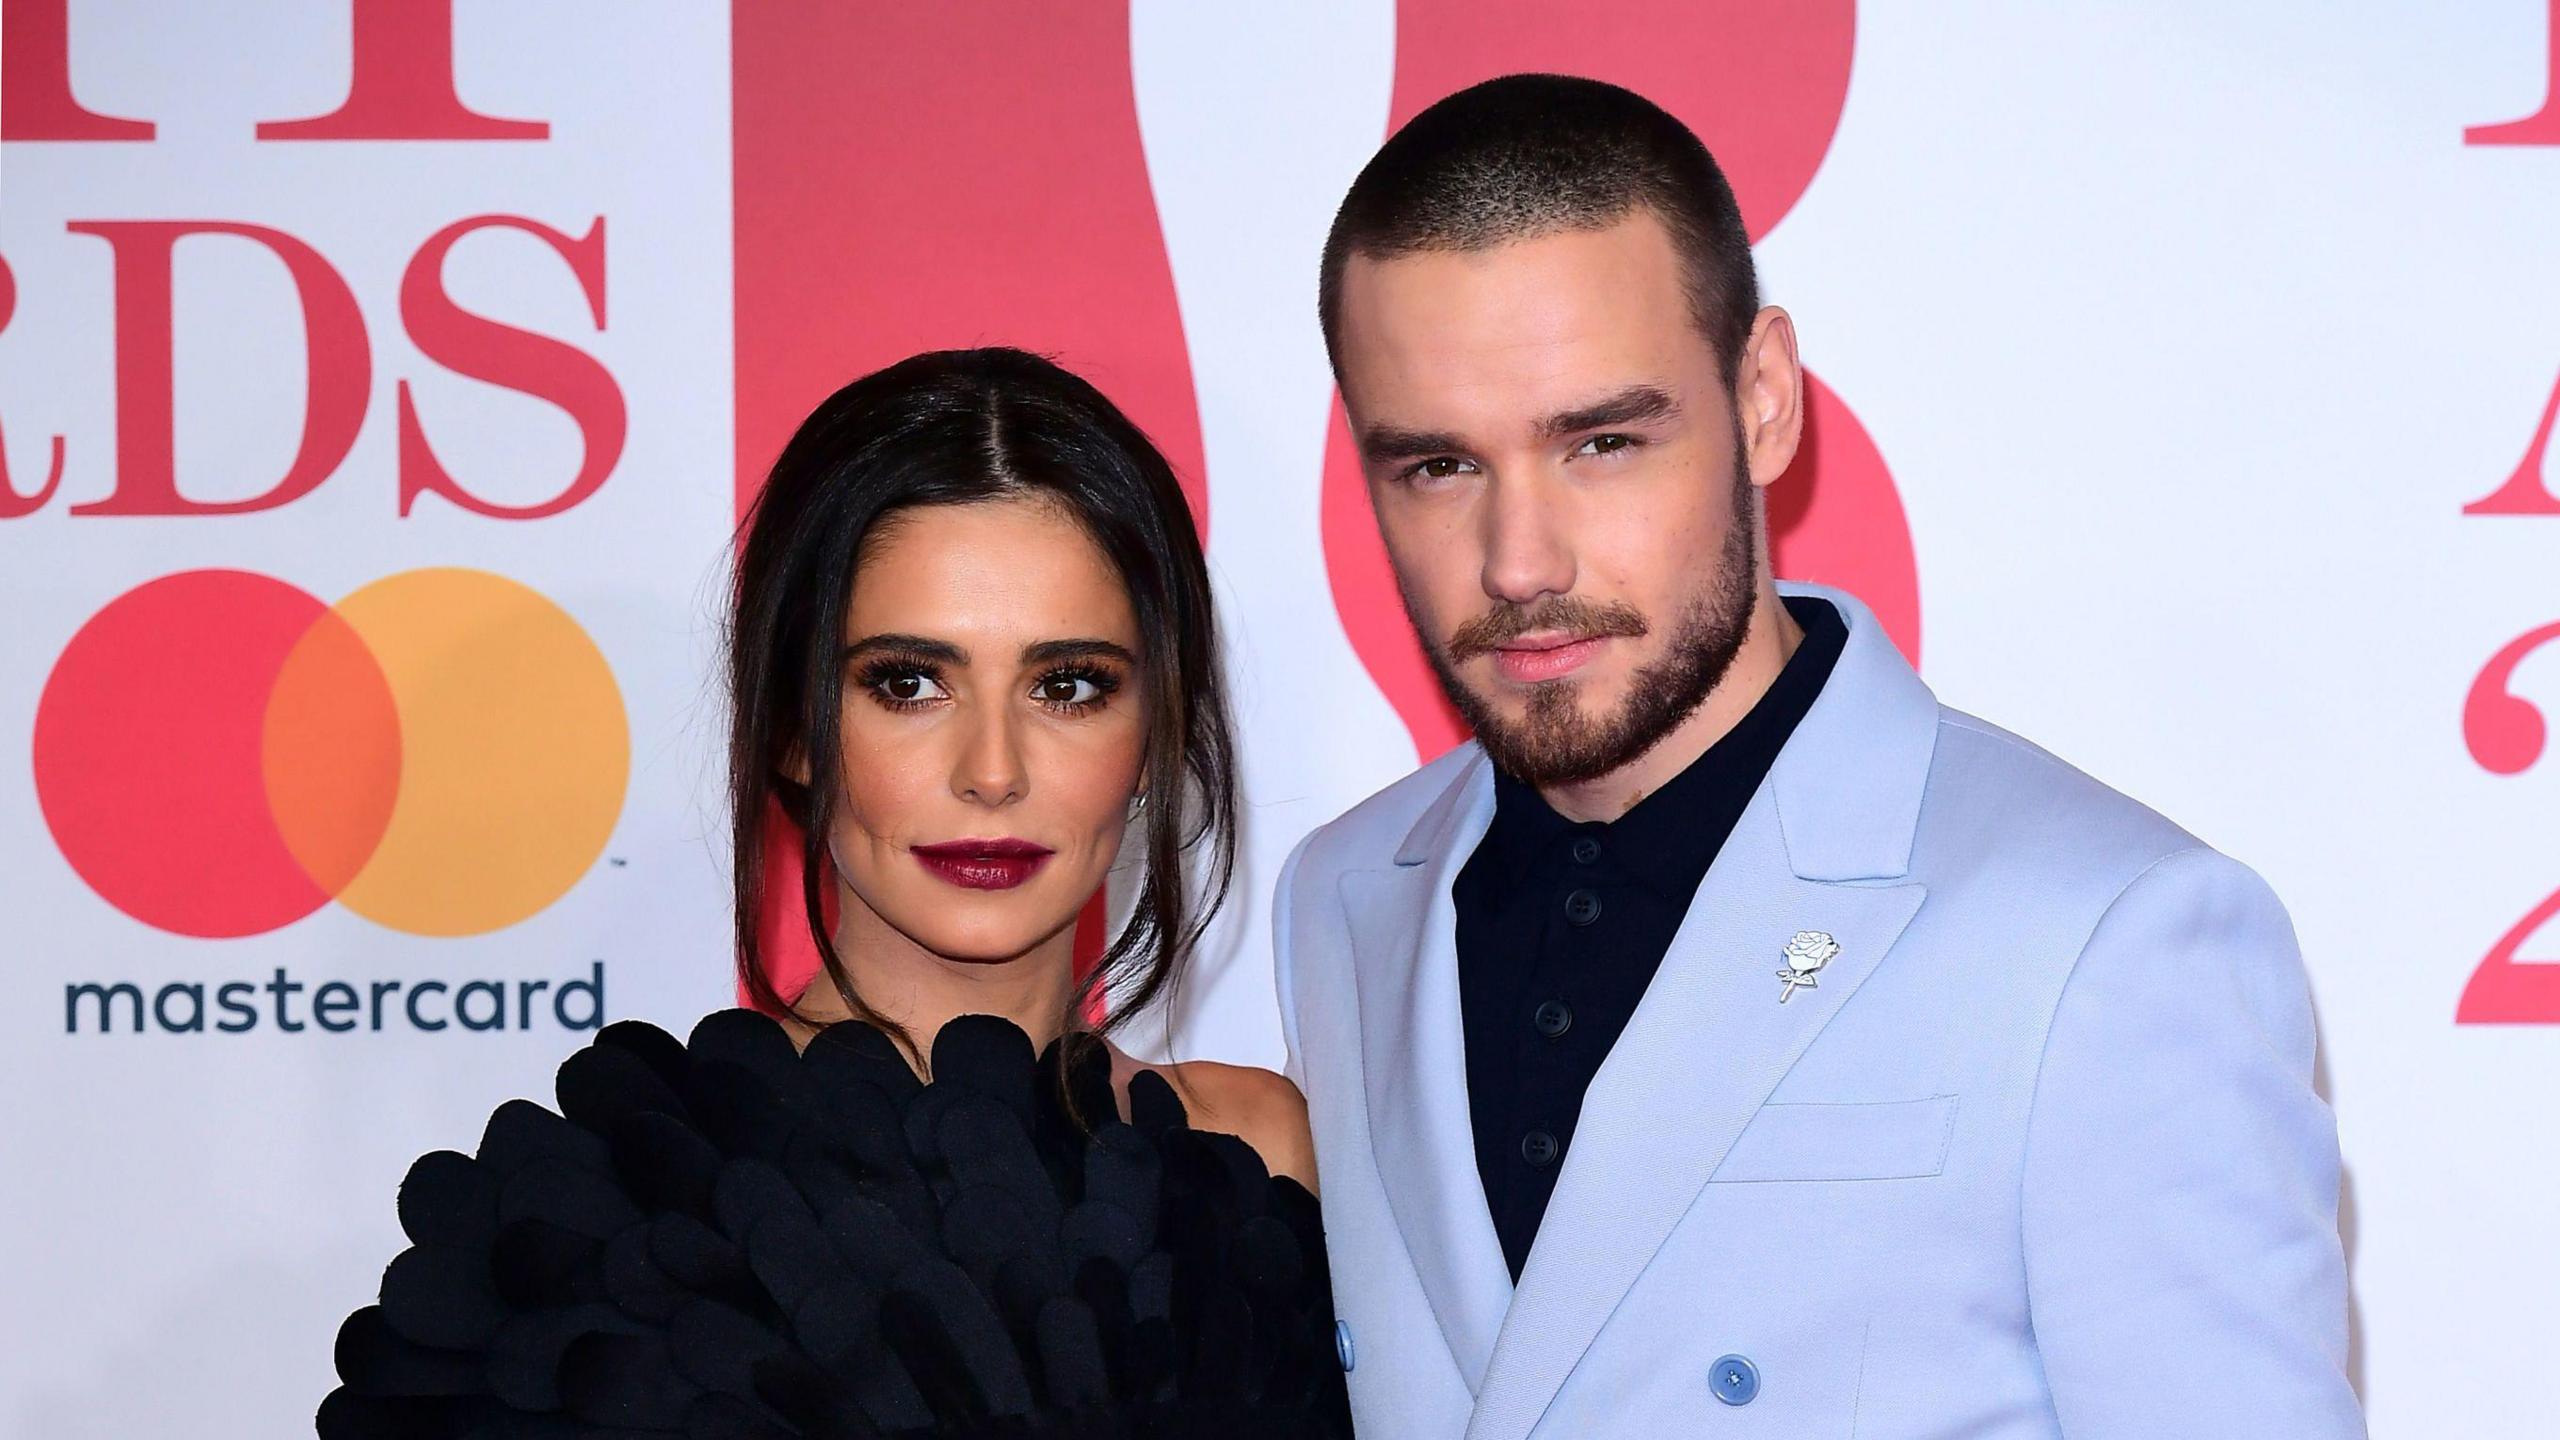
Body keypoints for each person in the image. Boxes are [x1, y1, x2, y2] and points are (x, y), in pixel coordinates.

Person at [1274, 74, 2364, 1439]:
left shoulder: (2108, 934)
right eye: (1438, 467)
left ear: (1766, 402)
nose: (1520, 562)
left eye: (1602, 442)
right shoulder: (1340, 896)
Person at [320, 348, 1349, 1439]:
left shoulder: (1261, 1155)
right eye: (906, 683)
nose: (991, 770)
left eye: (1067, 685)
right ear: (796, 730)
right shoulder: (612, 1223)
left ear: (1153, 735)